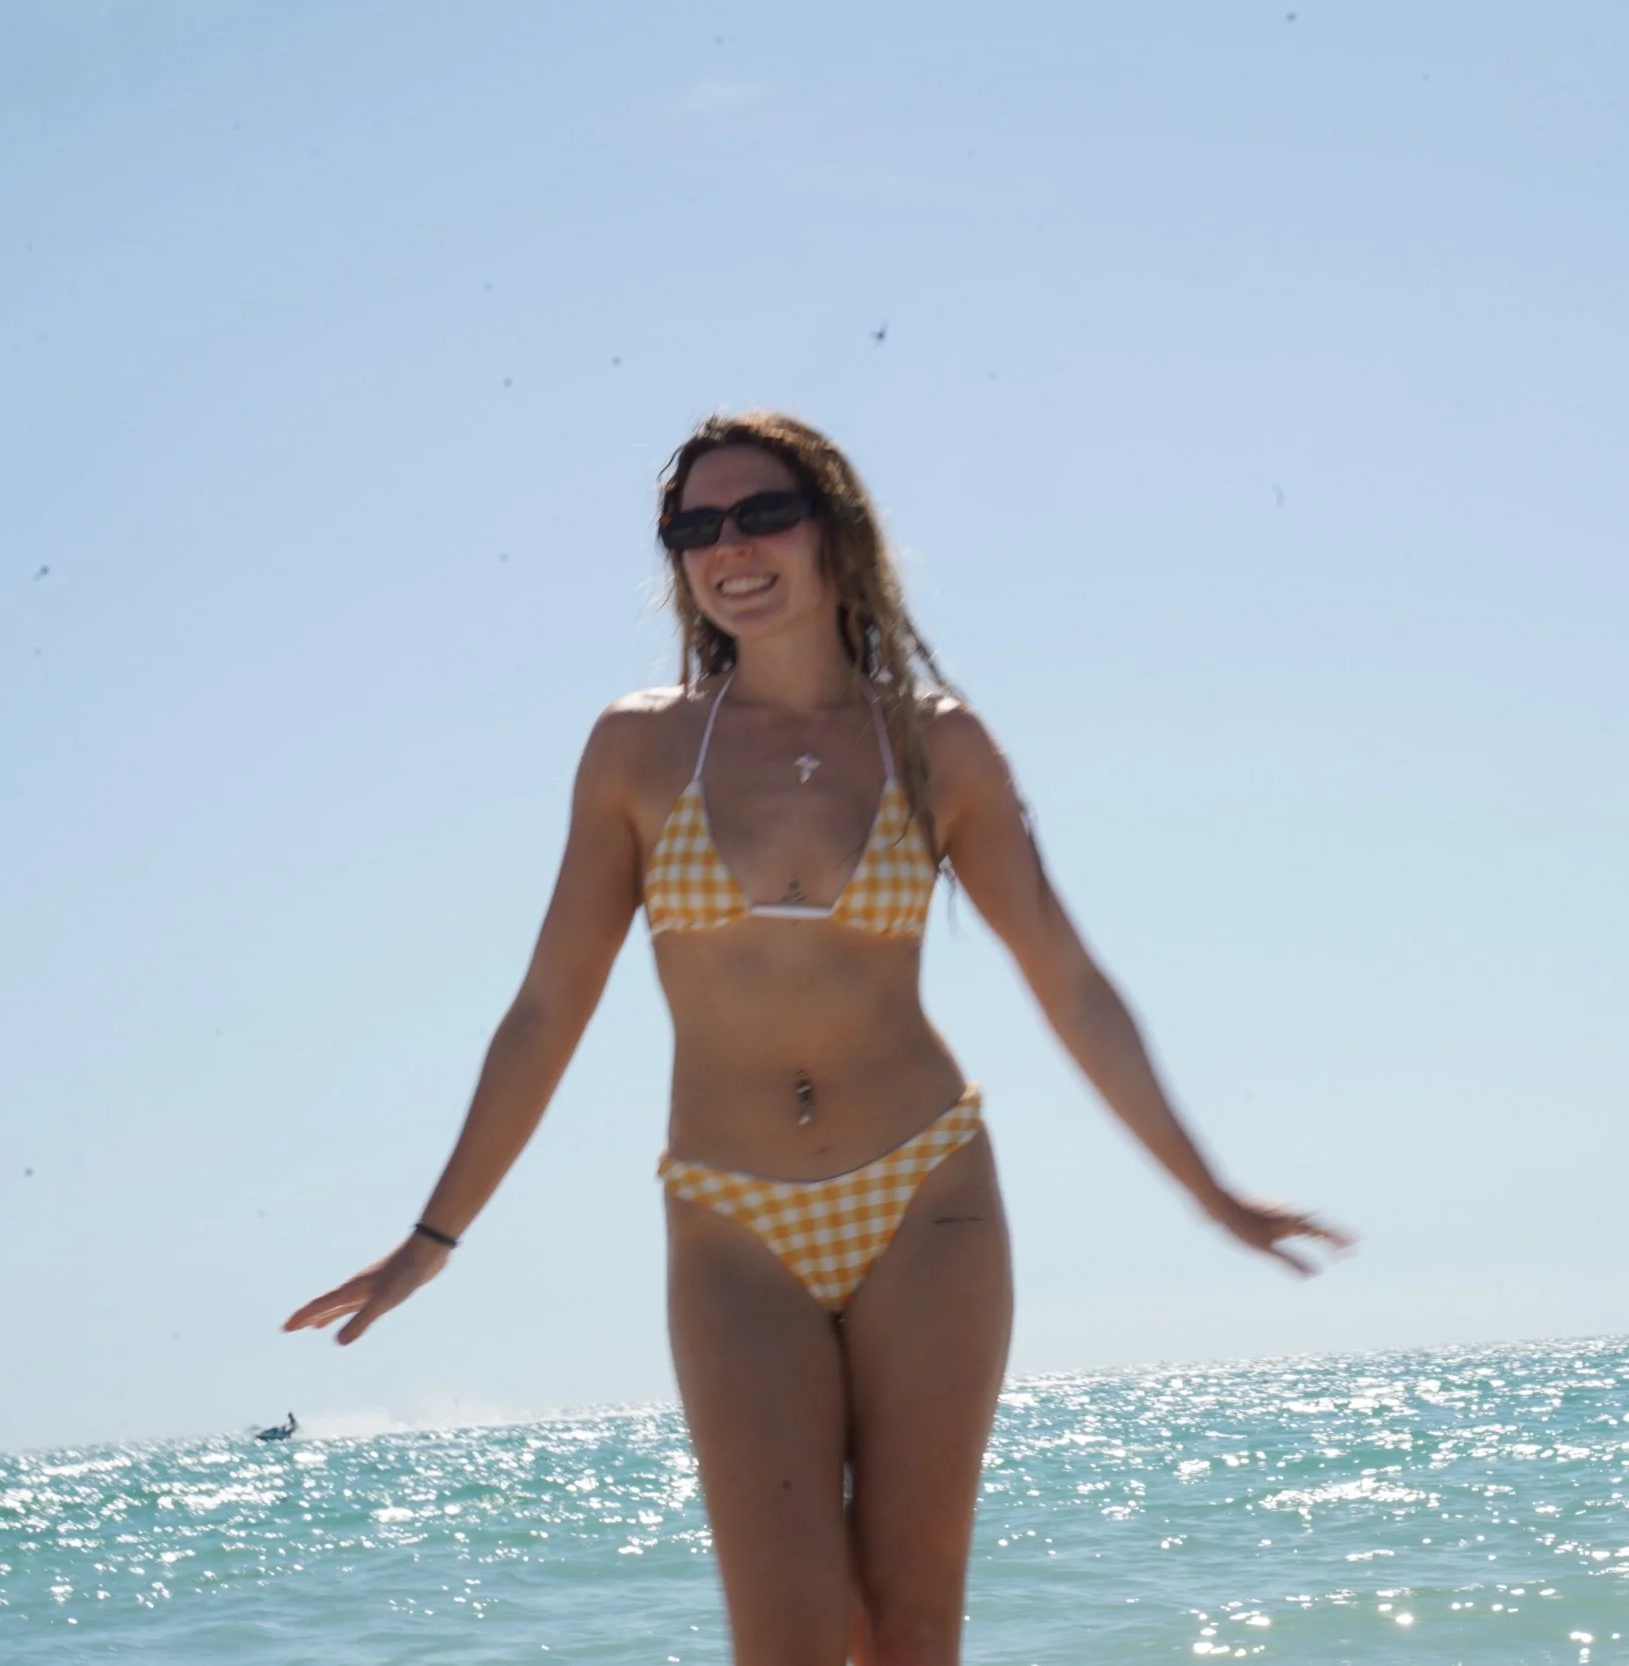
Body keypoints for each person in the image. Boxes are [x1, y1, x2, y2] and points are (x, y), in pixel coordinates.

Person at [284, 411, 1349, 1665]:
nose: (727, 546)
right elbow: (545, 1008)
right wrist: (434, 1237)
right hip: (730, 1220)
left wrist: (1208, 1193)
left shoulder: (936, 745)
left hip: (926, 1193)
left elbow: (1067, 979)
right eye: (694, 527)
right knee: (785, 1639)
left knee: (909, 1631)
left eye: (761, 514)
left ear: (834, 532)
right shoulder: (638, 749)